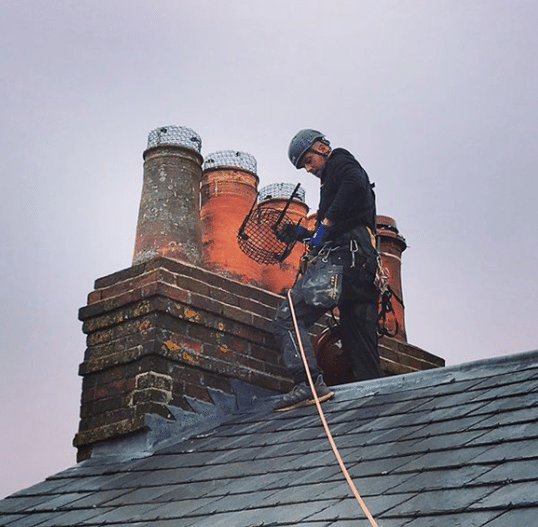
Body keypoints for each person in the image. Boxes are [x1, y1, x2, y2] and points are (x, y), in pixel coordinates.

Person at [273, 129, 383, 412]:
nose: (308, 169)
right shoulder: (334, 177)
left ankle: (307, 383)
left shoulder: (340, 161)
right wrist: (301, 234)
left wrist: (326, 223)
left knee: (288, 317)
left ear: (322, 147)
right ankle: (375, 404)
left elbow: (355, 185)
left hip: (343, 262)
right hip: (362, 271)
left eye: (308, 161)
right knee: (360, 348)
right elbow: (332, 230)